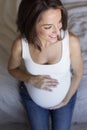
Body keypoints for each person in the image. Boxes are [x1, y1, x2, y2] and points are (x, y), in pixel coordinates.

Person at [8, 0, 83, 130]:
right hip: (33, 100)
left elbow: (78, 74)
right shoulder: (20, 44)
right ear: (30, 24)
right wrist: (30, 79)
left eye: (59, 22)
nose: (57, 32)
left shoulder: (71, 41)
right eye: (48, 27)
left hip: (65, 98)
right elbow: (12, 69)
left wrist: (66, 100)